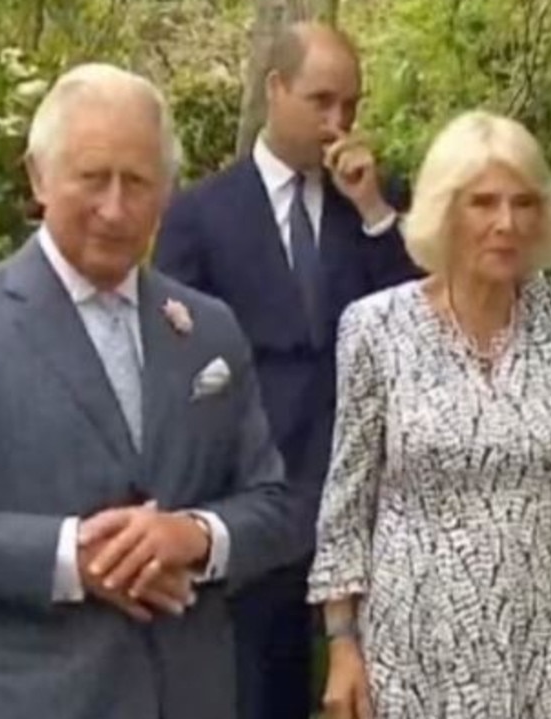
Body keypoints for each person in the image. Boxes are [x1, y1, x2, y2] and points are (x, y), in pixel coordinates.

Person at [0, 63, 299, 719]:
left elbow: (272, 504)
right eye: (92, 178)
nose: (115, 208)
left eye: (138, 182)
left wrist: (195, 535)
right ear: (39, 177)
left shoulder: (208, 328)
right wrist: (72, 556)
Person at [308, 110, 551, 719]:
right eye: (483, 203)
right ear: (444, 210)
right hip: (418, 645)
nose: (505, 224)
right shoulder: (376, 328)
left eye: (522, 203)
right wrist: (343, 647)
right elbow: (347, 504)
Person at [153, 22, 419, 719]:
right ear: (275, 89)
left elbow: (419, 324)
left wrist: (372, 211)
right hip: (256, 499)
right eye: (321, 100)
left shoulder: (375, 200)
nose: (338, 123)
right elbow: (174, 365)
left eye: (351, 105)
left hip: (365, 496)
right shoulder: (200, 215)